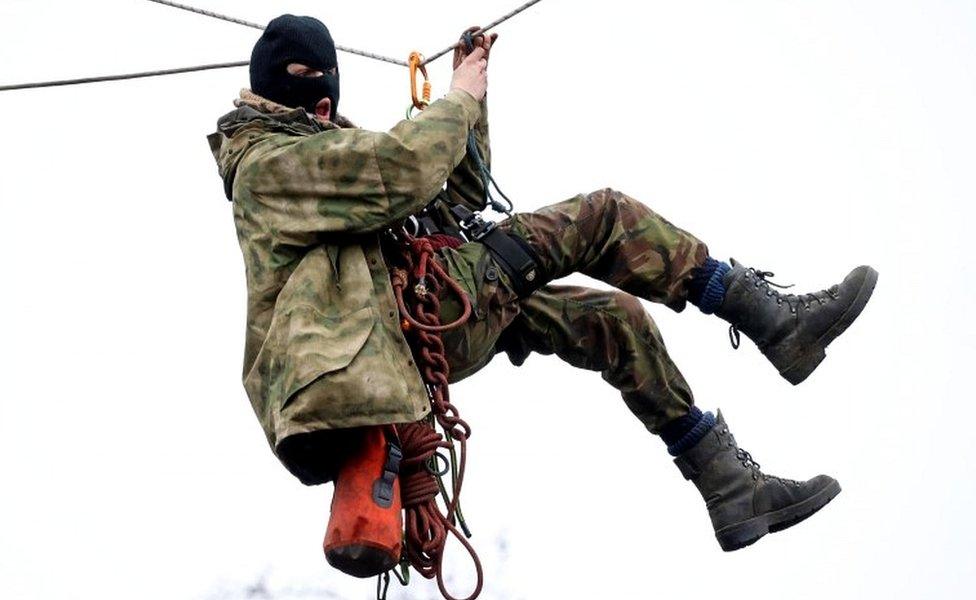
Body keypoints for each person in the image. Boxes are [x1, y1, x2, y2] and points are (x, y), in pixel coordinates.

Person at [207, 14, 878, 552]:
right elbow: (406, 169)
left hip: (413, 322)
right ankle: (772, 318)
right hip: (396, 332)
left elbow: (453, 195)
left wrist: (475, 102)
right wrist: (456, 100)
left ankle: (728, 485)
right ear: (307, 99)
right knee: (602, 216)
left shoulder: (326, 161)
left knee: (611, 320)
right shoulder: (271, 165)